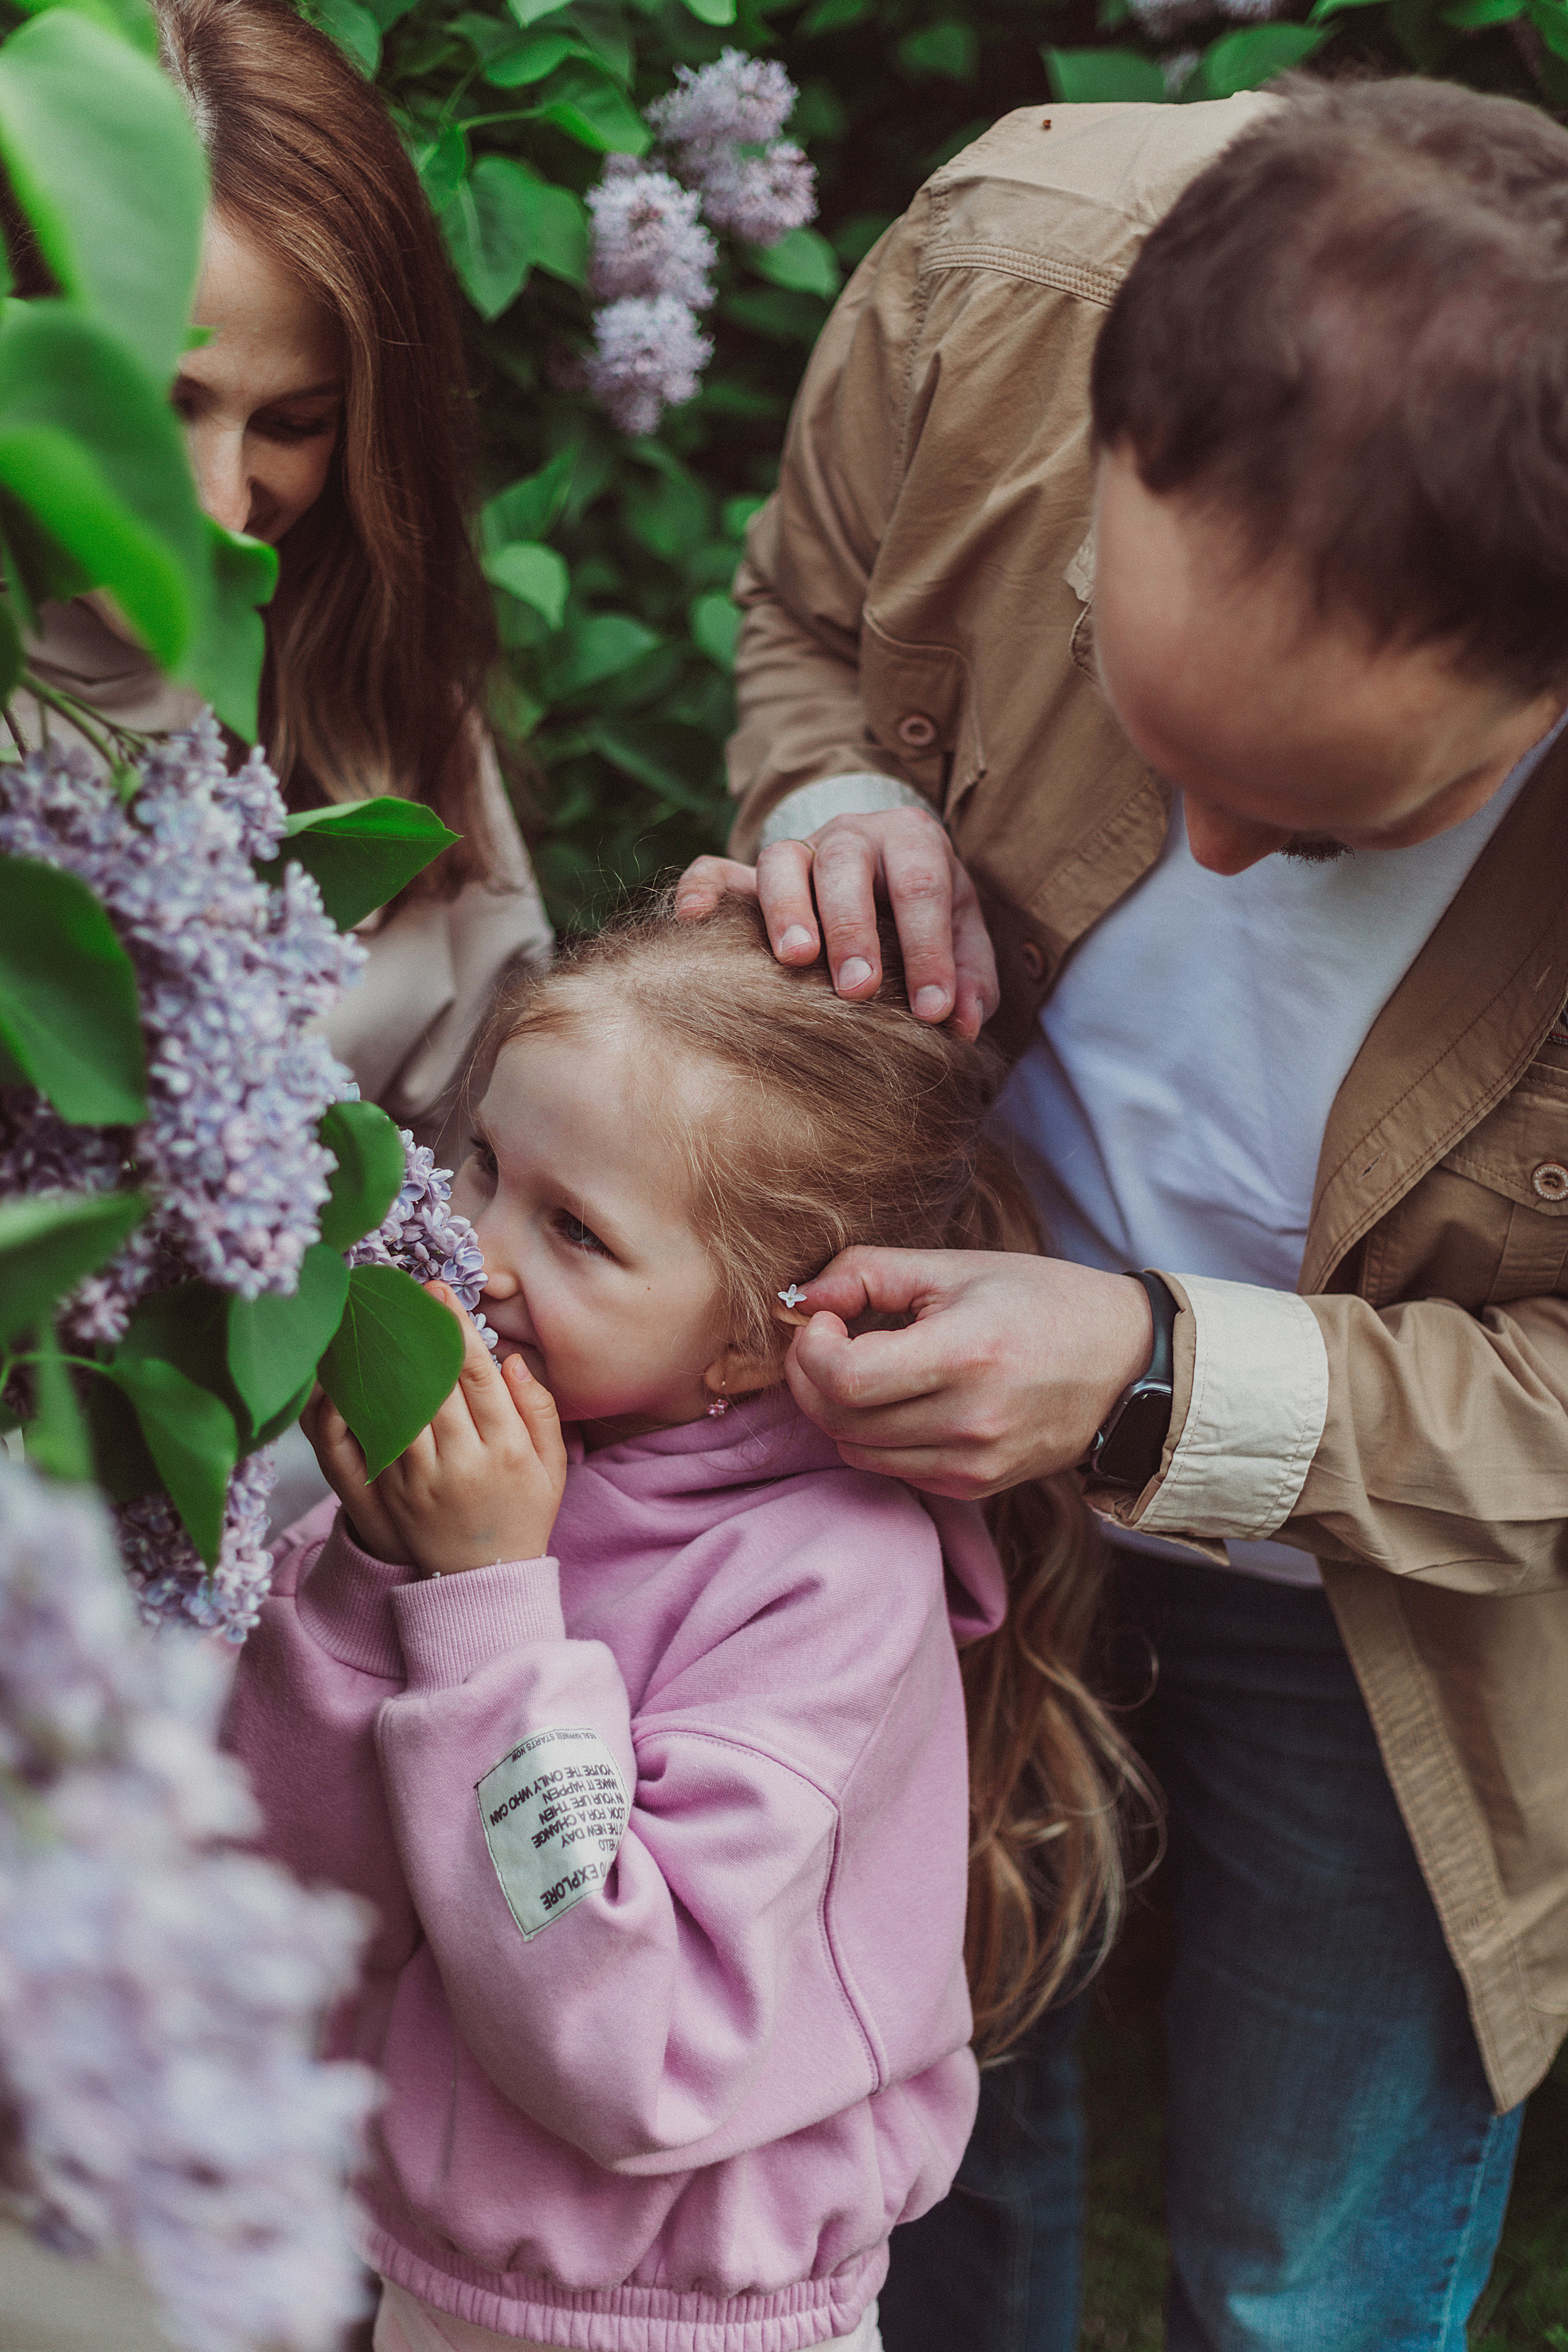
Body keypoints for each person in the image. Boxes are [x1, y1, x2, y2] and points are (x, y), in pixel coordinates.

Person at [677, 77, 1568, 2352]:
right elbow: (808, 608)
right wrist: (842, 783)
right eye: (1160, 749)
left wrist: (1154, 1377)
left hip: (1409, 1612)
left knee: (1302, 2275)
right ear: (1102, 433)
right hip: (925, 1509)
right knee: (917, 2137)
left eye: (1332, 818)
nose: (1215, 866)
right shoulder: (1006, 268)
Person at [221, 892, 1140, 2352]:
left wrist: (479, 1608)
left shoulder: (826, 1580)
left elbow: (625, 2043)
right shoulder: (487, 1474)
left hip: (694, 2320)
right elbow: (287, 1892)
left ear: (749, 1337)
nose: (480, 1256)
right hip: (429, 2270)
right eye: (479, 1168)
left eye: (575, 1229)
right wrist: (370, 1579)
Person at [15, 0, 551, 1161]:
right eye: (163, 404)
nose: (218, 507)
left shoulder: (377, 690)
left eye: (297, 424)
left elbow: (498, 1172)